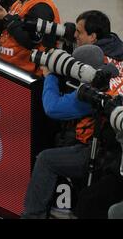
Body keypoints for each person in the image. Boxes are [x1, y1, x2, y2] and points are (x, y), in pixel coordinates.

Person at [21, 45, 117, 218]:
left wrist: (50, 76)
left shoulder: (93, 89)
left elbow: (52, 108)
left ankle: (31, 216)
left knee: (46, 160)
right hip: (114, 152)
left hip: (102, 153)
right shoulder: (113, 72)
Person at [74, 10, 123, 95]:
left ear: (92, 37)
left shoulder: (92, 61)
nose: (75, 35)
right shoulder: (116, 47)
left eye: (79, 32)